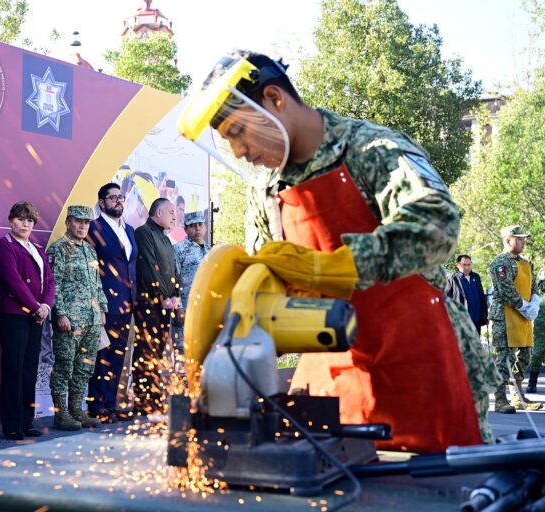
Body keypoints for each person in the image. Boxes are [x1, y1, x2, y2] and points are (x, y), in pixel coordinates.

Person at [176, 49, 498, 451]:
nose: (239, 152)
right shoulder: (265, 190)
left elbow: (436, 222)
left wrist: (339, 267)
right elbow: (268, 287)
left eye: (239, 132)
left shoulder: (370, 148)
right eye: (228, 142)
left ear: (275, 100)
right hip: (332, 370)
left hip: (422, 361)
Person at [0, 201, 54, 440]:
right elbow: (13, 281)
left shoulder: (37, 248)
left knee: (29, 370)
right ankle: (11, 425)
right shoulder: (5, 245)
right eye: (21, 219)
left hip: (36, 316)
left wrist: (46, 306)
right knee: (14, 370)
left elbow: (50, 282)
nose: (25, 224)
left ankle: (26, 421)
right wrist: (35, 307)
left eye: (29, 220)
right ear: (11, 220)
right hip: (15, 315)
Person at [47, 205, 107, 431]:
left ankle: (77, 410)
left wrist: (102, 308)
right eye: (78, 221)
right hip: (70, 321)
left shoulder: (90, 250)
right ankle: (61, 414)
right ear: (68, 222)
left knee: (84, 367)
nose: (83, 226)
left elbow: (97, 283)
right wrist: (60, 313)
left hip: (91, 320)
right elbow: (54, 285)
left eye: (86, 222)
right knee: (64, 366)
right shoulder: (59, 249)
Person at [86, 183, 137, 423]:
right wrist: (96, 303)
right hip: (105, 303)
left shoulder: (129, 231)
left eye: (121, 197)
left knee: (117, 355)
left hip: (127, 302)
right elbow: (90, 269)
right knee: (102, 355)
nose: (118, 201)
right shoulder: (94, 228)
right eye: (112, 197)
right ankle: (97, 405)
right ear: (102, 202)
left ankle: (112, 403)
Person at [133, 197, 181, 415]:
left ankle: (153, 397)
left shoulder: (166, 238)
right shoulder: (144, 232)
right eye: (171, 211)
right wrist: (162, 295)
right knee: (146, 350)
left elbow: (174, 270)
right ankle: (143, 400)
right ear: (158, 212)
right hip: (150, 303)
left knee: (158, 353)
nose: (174, 216)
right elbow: (149, 267)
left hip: (167, 304)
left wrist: (176, 296)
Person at [488, 226, 542, 413]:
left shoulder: (526, 262)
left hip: (524, 317)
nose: (523, 242)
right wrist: (524, 306)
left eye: (523, 239)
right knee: (505, 360)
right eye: (519, 239)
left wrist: (534, 302)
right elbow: (505, 289)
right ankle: (501, 399)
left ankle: (518, 397)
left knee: (525, 356)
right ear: (508, 240)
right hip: (505, 316)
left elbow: (534, 285)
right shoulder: (500, 262)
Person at [171, 211, 211, 371]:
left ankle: (201, 385)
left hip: (205, 310)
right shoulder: (179, 249)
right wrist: (179, 306)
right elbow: (174, 278)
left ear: (205, 227)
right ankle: (182, 389)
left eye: (200, 225)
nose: (197, 229)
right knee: (182, 348)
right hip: (185, 309)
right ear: (186, 229)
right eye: (193, 226)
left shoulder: (210, 250)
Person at [456, 255, 489, 335]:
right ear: (458, 265)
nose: (467, 267)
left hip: (477, 319)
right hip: (463, 321)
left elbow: (481, 296)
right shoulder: (453, 279)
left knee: (476, 344)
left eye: (469, 264)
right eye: (464, 265)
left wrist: (485, 316)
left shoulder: (476, 277)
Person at [528, 270, 545, 393]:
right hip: (542, 323)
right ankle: (532, 383)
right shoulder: (542, 276)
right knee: (538, 353)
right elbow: (540, 287)